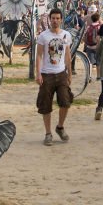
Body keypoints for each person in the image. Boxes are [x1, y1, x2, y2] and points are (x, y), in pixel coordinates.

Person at [36, 8, 72, 146]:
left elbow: (68, 55)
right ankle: (48, 133)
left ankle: (60, 127)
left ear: (61, 19)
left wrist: (69, 72)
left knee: (65, 102)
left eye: (57, 18)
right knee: (46, 105)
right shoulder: (43, 36)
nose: (55, 21)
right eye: (53, 18)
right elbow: (39, 56)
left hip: (61, 73)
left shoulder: (66, 35)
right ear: (49, 19)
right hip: (47, 74)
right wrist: (38, 73)